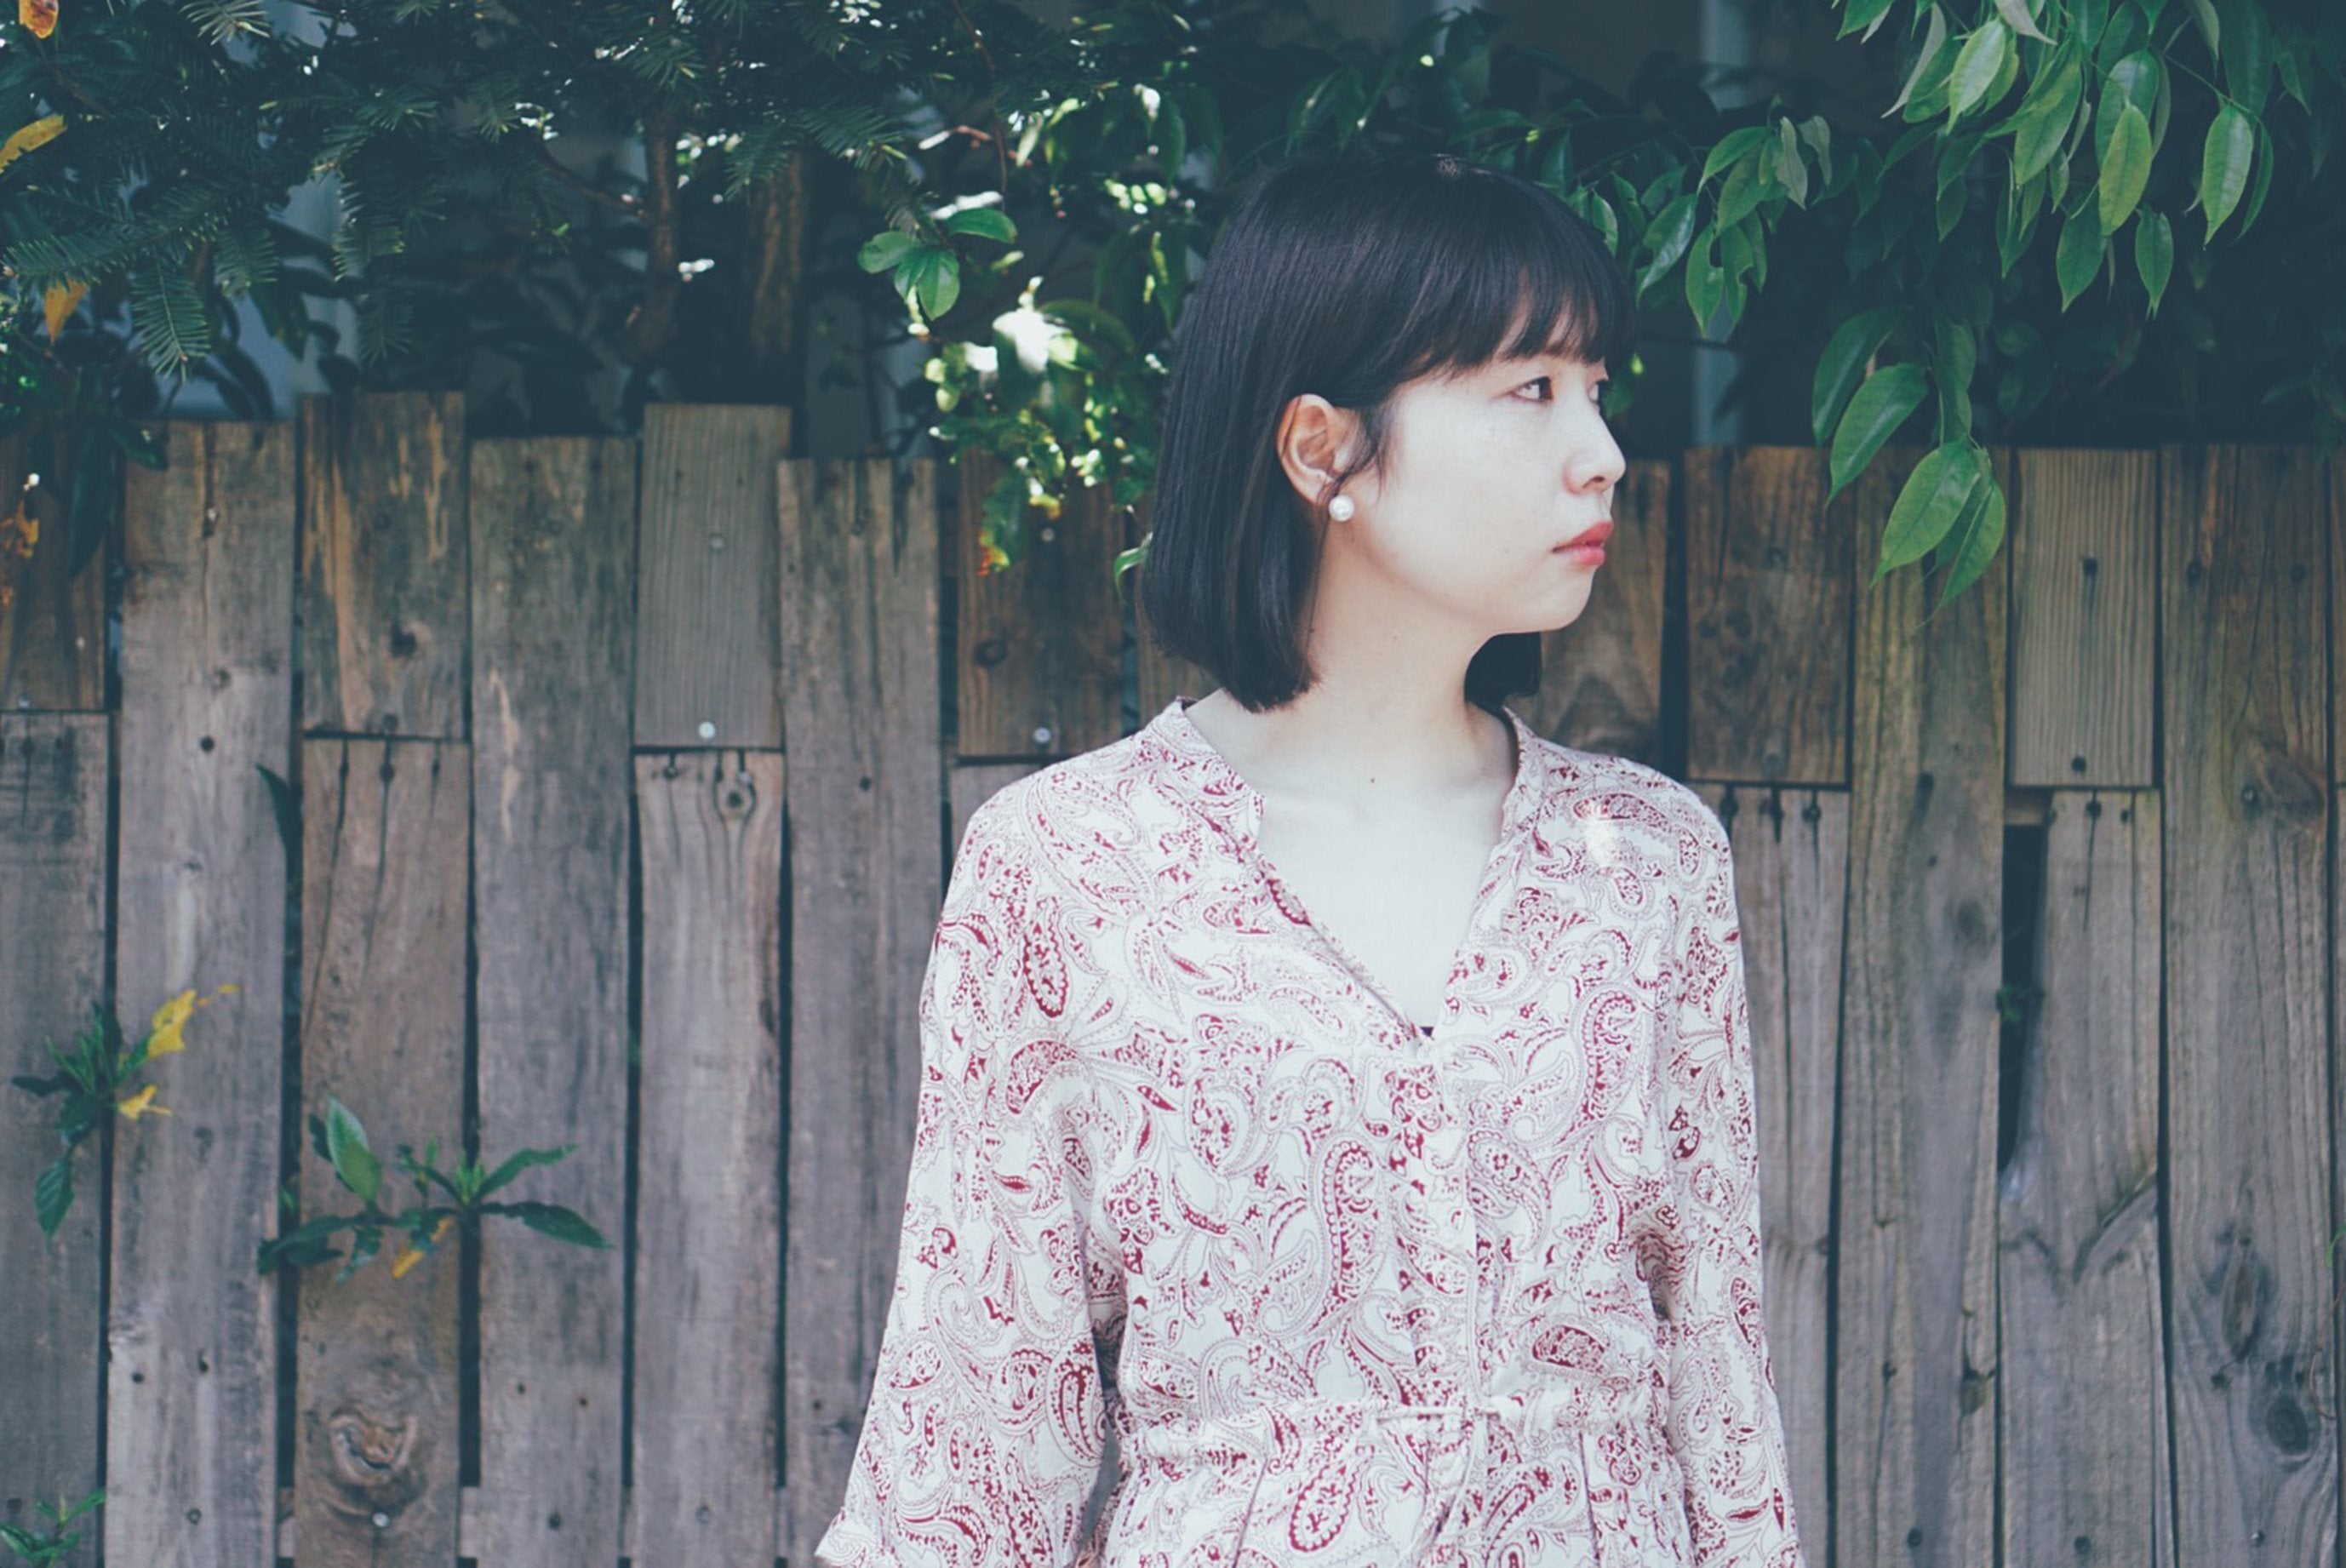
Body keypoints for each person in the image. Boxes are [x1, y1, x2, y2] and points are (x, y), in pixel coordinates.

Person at [815, 150, 1805, 1567]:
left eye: (1597, 388)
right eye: (1531, 389)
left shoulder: (1647, 864)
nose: (1601, 450)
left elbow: (1720, 1381)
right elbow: (970, 1437)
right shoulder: (1073, 868)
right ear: (1321, 449)